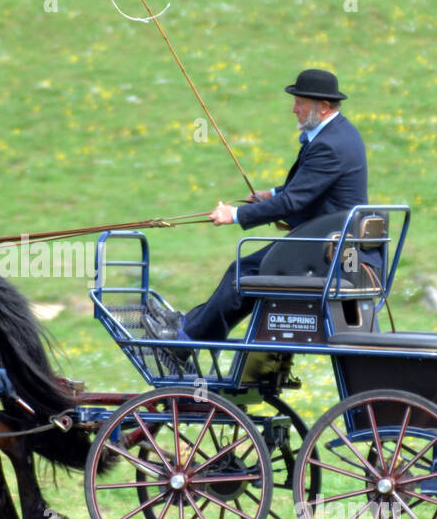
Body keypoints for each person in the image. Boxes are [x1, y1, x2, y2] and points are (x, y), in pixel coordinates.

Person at [146, 68, 369, 344]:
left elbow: (293, 201)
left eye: (299, 103)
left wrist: (234, 215)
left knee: (243, 272)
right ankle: (188, 326)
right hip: (326, 244)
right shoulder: (339, 134)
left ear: (323, 107)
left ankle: (188, 338)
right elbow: (309, 187)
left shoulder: (330, 145)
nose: (293, 110)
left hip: (327, 252)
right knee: (243, 269)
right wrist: (270, 194)